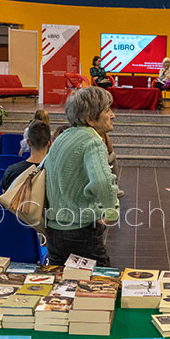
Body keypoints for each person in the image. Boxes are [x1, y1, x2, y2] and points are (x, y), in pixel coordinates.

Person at [44, 86, 119, 266]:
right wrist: (111, 211)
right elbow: (102, 181)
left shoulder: (62, 137)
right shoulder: (93, 141)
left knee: (60, 288)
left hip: (54, 229)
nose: (113, 115)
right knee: (100, 286)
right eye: (107, 110)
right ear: (91, 119)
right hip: (81, 230)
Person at [1, 120, 51, 192]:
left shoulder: (12, 171)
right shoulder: (55, 172)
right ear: (49, 143)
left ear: (28, 142)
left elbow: (4, 199)